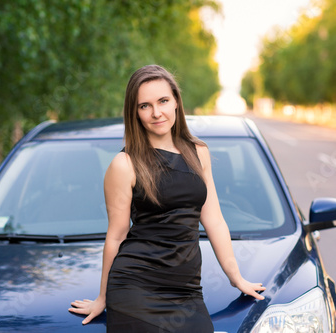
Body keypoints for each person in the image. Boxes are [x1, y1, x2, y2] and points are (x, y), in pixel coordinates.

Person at [69, 65, 265, 332]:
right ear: (135, 113)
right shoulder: (124, 164)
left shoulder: (199, 153)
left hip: (187, 292)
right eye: (145, 106)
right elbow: (116, 235)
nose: (156, 112)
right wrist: (102, 298)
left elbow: (215, 220)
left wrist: (236, 277)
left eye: (163, 101)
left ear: (176, 102)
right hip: (135, 288)